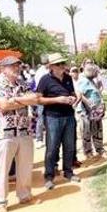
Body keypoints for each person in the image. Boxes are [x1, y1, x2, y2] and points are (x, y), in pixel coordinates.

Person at [0, 56, 41, 212]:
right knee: (3, 169)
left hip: (24, 129)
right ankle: (0, 201)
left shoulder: (22, 83)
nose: (16, 68)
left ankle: (24, 195)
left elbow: (34, 98)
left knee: (25, 166)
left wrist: (15, 100)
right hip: (5, 131)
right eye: (12, 66)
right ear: (3, 68)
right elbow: (3, 105)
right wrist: (22, 100)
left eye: (17, 65)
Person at [35, 53, 80, 190]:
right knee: (52, 147)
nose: (62, 66)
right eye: (59, 64)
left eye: (63, 63)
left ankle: (68, 171)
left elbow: (71, 93)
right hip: (52, 117)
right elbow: (38, 99)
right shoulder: (45, 80)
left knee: (70, 146)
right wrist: (57, 100)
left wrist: (73, 98)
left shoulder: (67, 78)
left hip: (69, 115)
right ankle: (49, 176)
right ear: (51, 66)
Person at [76, 64, 105, 159]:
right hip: (86, 112)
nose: (95, 73)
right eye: (92, 70)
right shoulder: (83, 81)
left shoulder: (91, 81)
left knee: (97, 130)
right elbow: (80, 94)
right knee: (86, 131)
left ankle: (99, 149)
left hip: (95, 111)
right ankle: (88, 151)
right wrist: (89, 103)